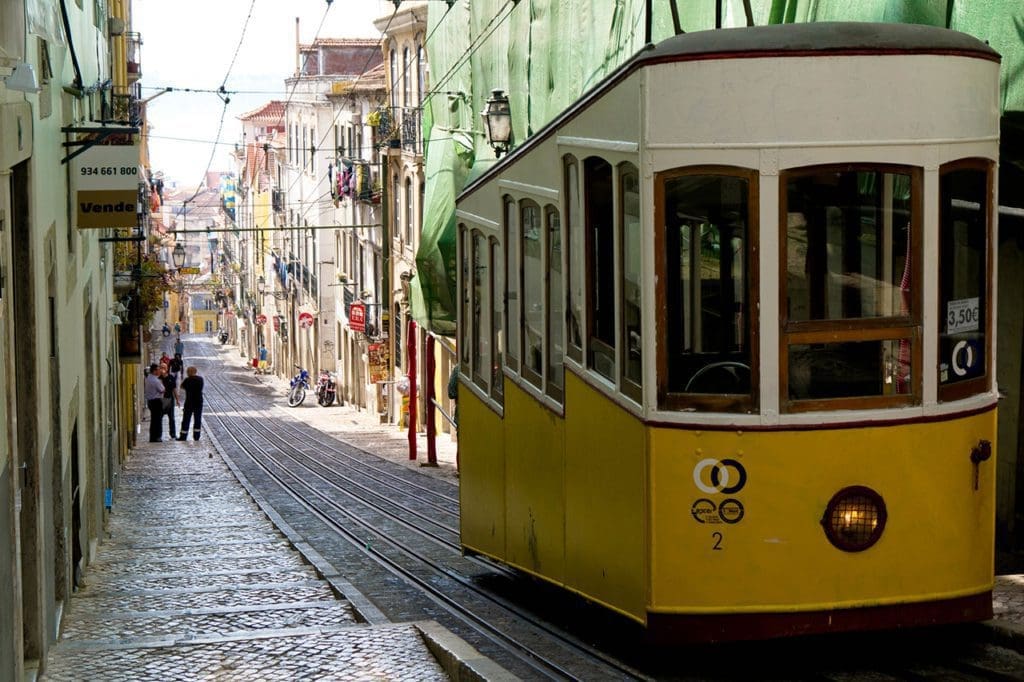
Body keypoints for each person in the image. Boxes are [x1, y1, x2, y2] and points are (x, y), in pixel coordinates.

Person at [178, 366, 205, 441]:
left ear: (188, 372)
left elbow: (181, 386)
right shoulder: (200, 379)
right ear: (195, 371)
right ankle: (196, 436)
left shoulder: (187, 380)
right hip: (198, 401)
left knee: (186, 419)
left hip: (189, 402)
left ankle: (183, 436)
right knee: (197, 419)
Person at [145, 363, 166, 442]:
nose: (159, 371)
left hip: (150, 401)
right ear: (154, 371)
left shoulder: (148, 378)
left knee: (153, 420)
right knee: (158, 420)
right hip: (156, 401)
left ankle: (152, 437)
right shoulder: (155, 381)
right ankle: (157, 437)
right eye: (158, 369)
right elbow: (163, 390)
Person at [160, 363, 180, 437]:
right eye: (161, 367)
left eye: (164, 367)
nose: (163, 369)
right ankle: (159, 434)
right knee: (159, 418)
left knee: (171, 418)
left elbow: (174, 389)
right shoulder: (158, 378)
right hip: (161, 400)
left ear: (167, 369)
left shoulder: (171, 377)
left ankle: (173, 434)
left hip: (170, 400)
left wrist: (177, 400)